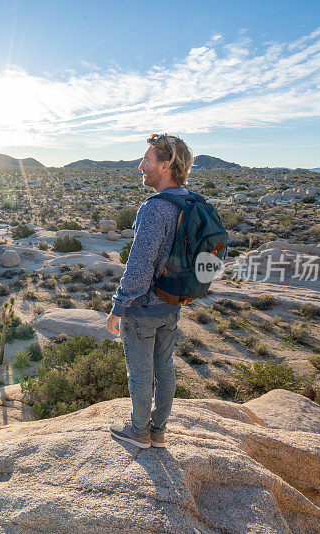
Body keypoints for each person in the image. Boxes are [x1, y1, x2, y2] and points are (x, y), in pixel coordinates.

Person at [106, 133, 194, 449]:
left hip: (143, 308)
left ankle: (139, 432)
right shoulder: (190, 202)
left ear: (166, 164)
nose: (140, 165)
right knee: (165, 368)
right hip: (171, 304)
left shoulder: (155, 208)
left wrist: (119, 306)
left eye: (147, 160)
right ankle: (159, 431)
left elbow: (139, 267)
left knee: (141, 374)